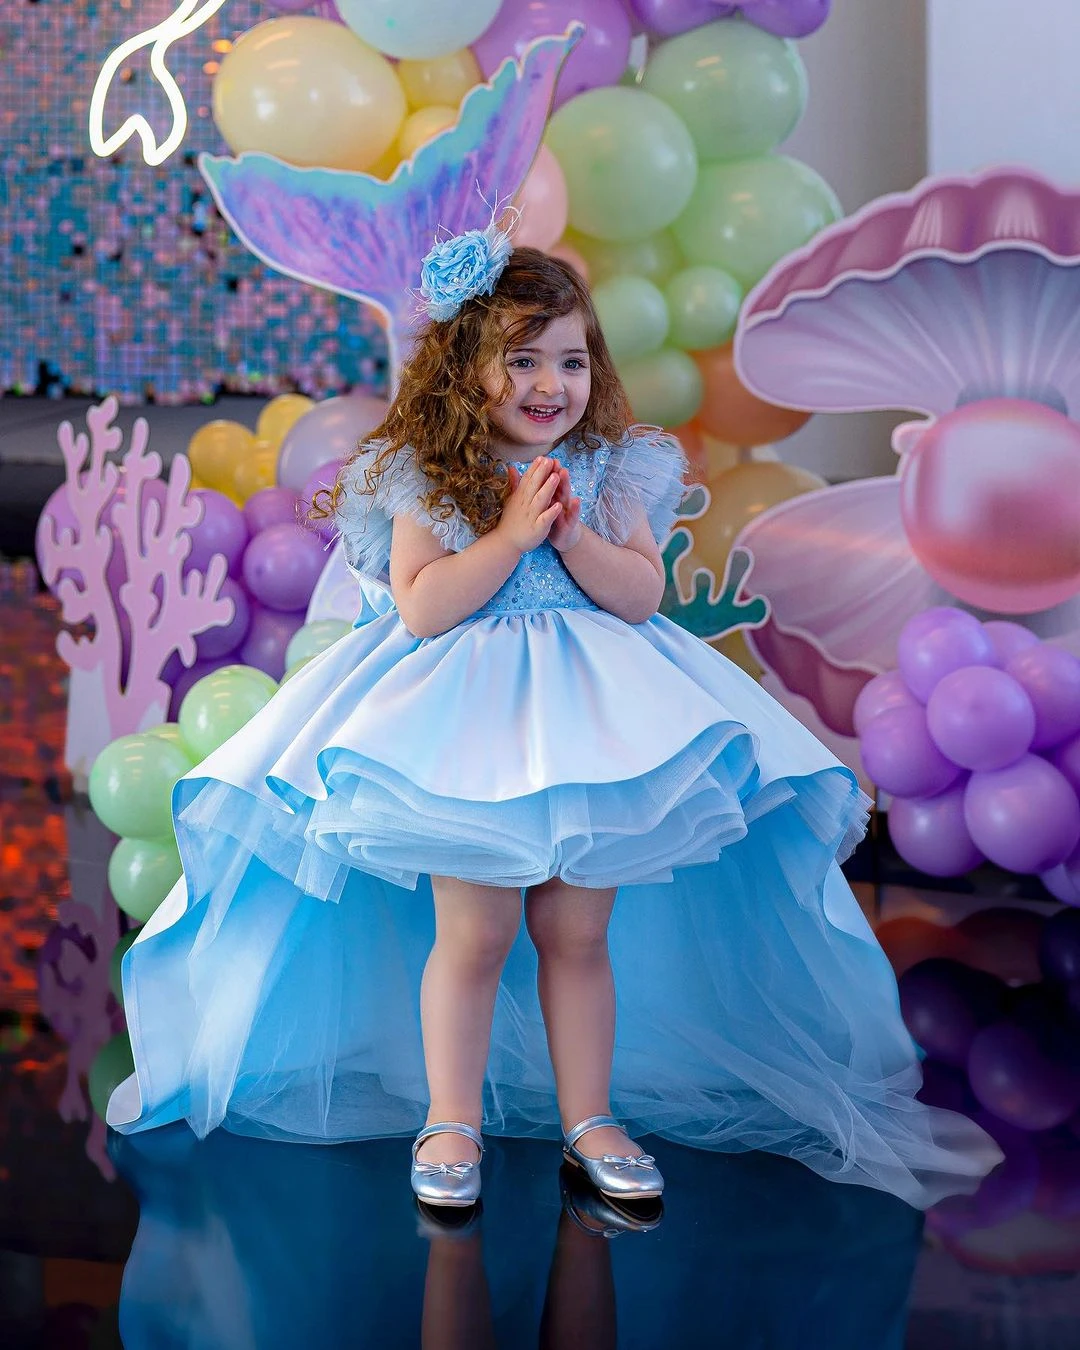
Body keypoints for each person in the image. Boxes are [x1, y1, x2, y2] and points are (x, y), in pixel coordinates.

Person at [107, 224, 1002, 1213]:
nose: (550, 383)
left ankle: (590, 1119)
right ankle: (451, 1119)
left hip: (590, 720)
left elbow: (638, 594)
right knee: (475, 933)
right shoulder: (429, 474)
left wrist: (572, 537)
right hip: (462, 727)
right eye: (522, 359)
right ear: (464, 371)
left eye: (570, 360)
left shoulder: (610, 469)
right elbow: (422, 604)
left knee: (578, 931)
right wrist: (509, 536)